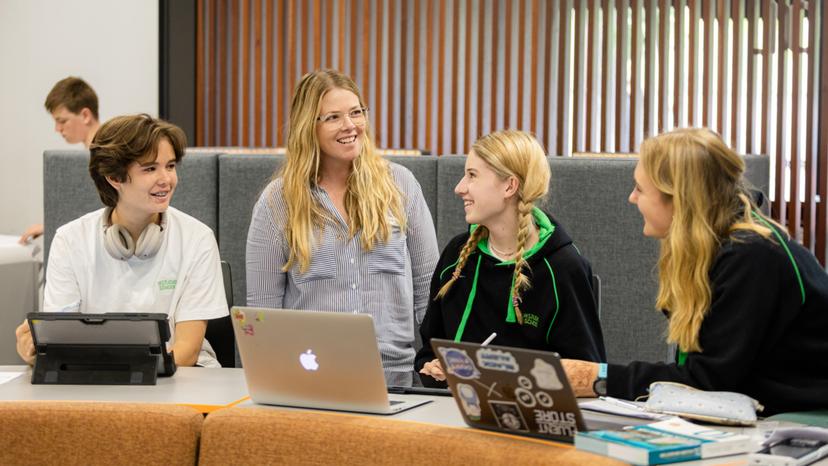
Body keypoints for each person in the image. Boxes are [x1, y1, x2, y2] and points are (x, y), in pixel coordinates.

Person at [562, 128, 828, 415]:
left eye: (640, 188)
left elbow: (706, 382)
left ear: (679, 198)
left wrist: (598, 378)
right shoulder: (715, 249)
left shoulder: (752, 257)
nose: (632, 198)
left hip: (806, 419)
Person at [246, 69, 439, 385]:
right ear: (309, 126)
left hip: (394, 377)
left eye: (356, 112)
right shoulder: (278, 201)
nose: (350, 125)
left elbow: (428, 288)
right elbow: (262, 314)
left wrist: (436, 358)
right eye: (333, 117)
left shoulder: (400, 185)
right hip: (310, 378)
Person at [15, 114, 228, 367]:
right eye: (150, 169)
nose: (166, 179)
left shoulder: (197, 238)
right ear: (114, 178)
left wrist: (123, 373)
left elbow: (187, 351)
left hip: (180, 376)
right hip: (98, 376)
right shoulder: (70, 240)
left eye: (170, 166)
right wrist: (36, 349)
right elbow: (60, 341)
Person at [416, 130, 606, 386]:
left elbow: (588, 374)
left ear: (509, 186)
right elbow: (429, 350)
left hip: (531, 409)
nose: (459, 188)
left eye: (472, 175)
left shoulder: (562, 268)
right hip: (451, 405)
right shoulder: (457, 254)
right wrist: (433, 367)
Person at [19, 77, 102, 245]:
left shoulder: (105, 156)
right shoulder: (91, 155)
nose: (57, 129)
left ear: (85, 115)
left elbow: (102, 213)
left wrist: (51, 225)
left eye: (62, 121)